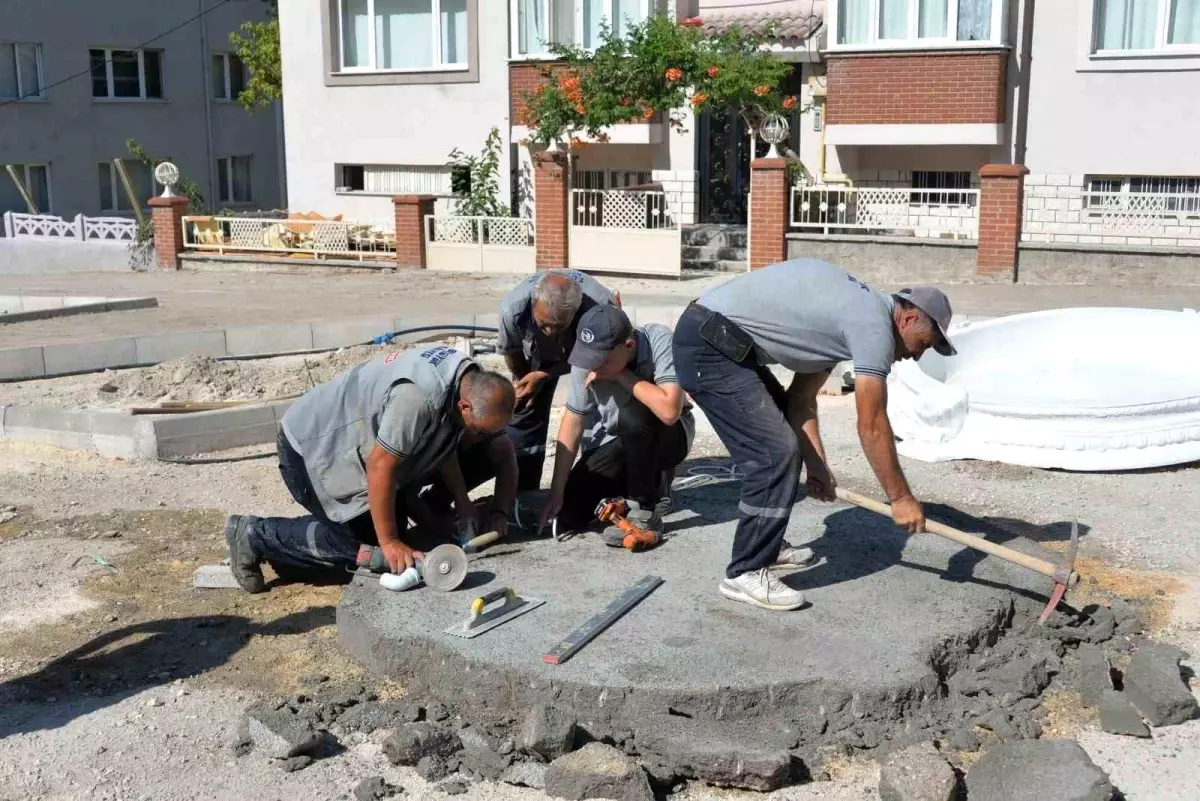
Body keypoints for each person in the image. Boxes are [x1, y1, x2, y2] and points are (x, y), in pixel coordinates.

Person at [673, 259, 956, 611]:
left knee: (781, 444)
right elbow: (872, 424)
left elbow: (800, 402)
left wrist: (817, 466)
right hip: (709, 346)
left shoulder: (852, 319)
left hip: (721, 342)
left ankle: (767, 543)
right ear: (909, 319)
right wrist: (899, 498)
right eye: (924, 343)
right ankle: (746, 572)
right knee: (774, 454)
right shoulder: (873, 325)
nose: (916, 355)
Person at [223, 344, 517, 593]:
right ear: (465, 407)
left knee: (395, 531)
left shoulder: (468, 379)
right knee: (369, 549)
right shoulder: (417, 398)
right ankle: (254, 534)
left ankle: (296, 547)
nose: (477, 438)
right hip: (312, 448)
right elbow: (381, 467)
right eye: (477, 430)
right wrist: (388, 542)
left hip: (361, 446)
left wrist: (463, 504)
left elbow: (445, 443)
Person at [537, 305, 693, 543]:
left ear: (628, 346)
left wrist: (621, 375)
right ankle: (637, 489)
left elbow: (670, 410)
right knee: (571, 512)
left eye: (600, 361)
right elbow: (573, 422)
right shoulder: (588, 356)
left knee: (635, 417)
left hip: (670, 437)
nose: (591, 366)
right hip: (619, 441)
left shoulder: (658, 340)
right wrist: (557, 490)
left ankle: (644, 508)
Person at [498, 269, 618, 491]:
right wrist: (526, 382)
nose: (551, 332)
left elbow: (606, 360)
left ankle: (591, 482)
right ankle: (524, 489)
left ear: (575, 311)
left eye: (559, 325)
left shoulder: (600, 310)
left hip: (589, 354)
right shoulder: (512, 310)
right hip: (535, 358)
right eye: (543, 324)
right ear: (533, 306)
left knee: (595, 412)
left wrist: (546, 374)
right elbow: (512, 351)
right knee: (525, 409)